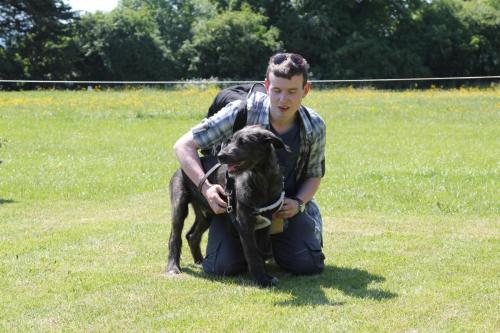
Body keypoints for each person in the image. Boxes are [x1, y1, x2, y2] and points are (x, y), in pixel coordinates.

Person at [173, 52, 326, 276]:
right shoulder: (240, 112)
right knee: (223, 268)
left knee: (307, 265)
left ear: (306, 90)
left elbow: (314, 174)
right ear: (266, 85)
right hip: (238, 208)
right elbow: (183, 145)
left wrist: (299, 202)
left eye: (292, 92)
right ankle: (253, 247)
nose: (283, 100)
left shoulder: (314, 125)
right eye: (277, 90)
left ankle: (278, 242)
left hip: (285, 208)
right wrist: (206, 188)